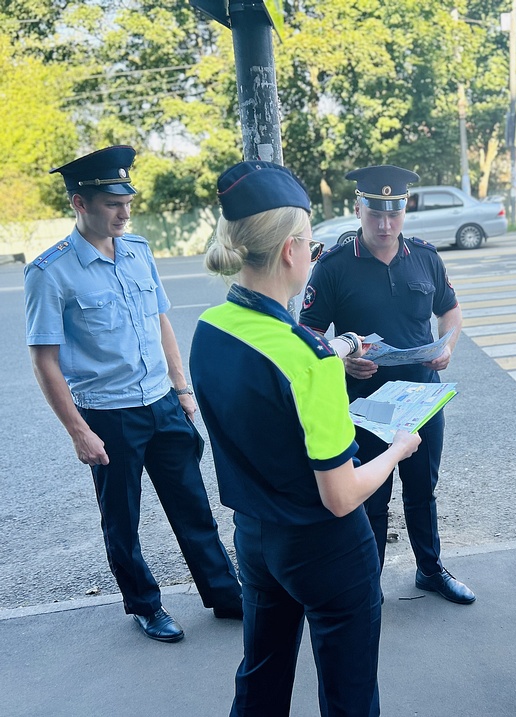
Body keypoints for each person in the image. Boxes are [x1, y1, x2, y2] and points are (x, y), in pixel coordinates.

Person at [190, 160, 421, 717]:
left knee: (263, 671)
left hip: (256, 536)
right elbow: (341, 494)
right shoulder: (309, 366)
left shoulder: (210, 327)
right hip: (326, 547)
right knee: (348, 689)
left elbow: (272, 365)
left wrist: (341, 349)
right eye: (311, 244)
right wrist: (395, 450)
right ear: (291, 251)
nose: (314, 253)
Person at [23, 145, 242, 643]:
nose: (124, 212)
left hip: (162, 402)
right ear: (80, 203)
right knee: (121, 520)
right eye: (110, 203)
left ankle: (227, 596)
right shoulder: (49, 272)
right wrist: (79, 431)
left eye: (127, 201)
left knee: (193, 507)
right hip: (107, 414)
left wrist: (182, 390)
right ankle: (145, 605)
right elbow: (44, 361)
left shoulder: (139, 251)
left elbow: (160, 320)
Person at [300, 165, 474, 605]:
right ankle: (367, 582)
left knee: (422, 491)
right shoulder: (334, 265)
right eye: (374, 213)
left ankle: (430, 570)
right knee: (371, 496)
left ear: (404, 210)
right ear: (358, 208)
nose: (384, 224)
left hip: (422, 398)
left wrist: (447, 345)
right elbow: (308, 333)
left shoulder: (425, 257)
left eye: (393, 214)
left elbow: (450, 311)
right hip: (365, 402)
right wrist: (342, 364)